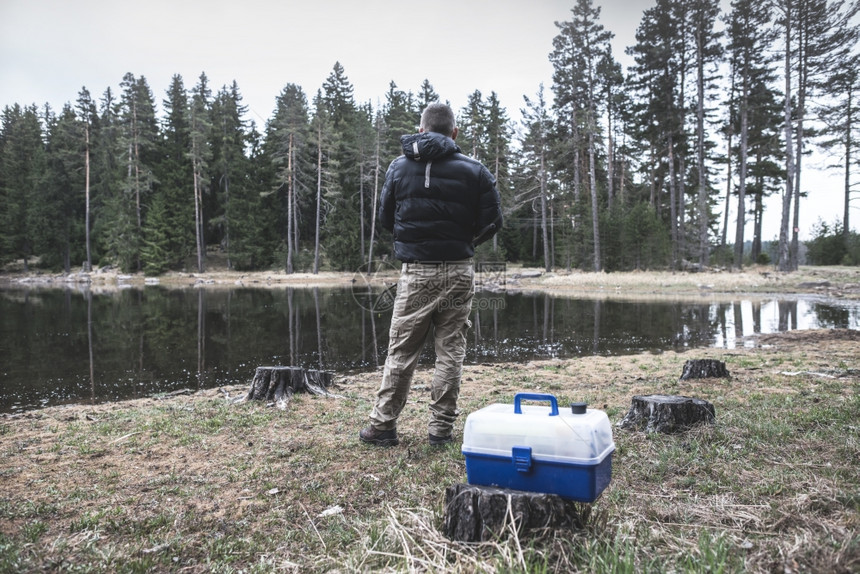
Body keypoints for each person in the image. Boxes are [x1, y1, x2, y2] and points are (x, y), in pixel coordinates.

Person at [359, 102, 503, 447]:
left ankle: (383, 425)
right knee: (450, 349)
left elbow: (385, 219)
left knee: (402, 349)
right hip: (458, 270)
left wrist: (414, 241)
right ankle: (440, 431)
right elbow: (494, 222)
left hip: (417, 272)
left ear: (421, 130)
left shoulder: (398, 167)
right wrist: (466, 241)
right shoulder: (476, 171)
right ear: (454, 133)